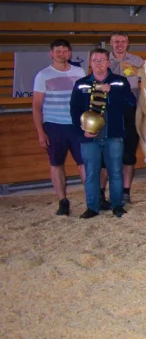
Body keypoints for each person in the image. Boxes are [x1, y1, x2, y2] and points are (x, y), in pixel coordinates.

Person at [70, 48, 135, 219]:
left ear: (108, 62)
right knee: (91, 173)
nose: (98, 63)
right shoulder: (81, 83)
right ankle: (92, 206)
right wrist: (81, 131)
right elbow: (74, 110)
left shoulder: (120, 82)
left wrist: (112, 92)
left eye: (101, 60)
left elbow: (131, 103)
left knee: (116, 172)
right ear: (90, 63)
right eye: (95, 60)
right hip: (89, 137)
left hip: (113, 135)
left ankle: (117, 205)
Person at [32, 39, 86, 216]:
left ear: (70, 53)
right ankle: (63, 201)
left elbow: (84, 99)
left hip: (76, 125)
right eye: (58, 51)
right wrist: (41, 132)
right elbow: (37, 106)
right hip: (54, 125)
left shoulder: (79, 72)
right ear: (51, 54)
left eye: (65, 51)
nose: (62, 54)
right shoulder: (43, 75)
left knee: (84, 163)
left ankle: (91, 199)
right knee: (56, 163)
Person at [108, 31, 142, 206]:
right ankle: (105, 193)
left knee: (129, 154)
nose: (120, 44)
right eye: (116, 41)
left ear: (128, 43)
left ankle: (126, 192)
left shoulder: (137, 61)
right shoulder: (104, 60)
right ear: (111, 43)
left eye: (123, 41)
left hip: (131, 111)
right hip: (109, 111)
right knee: (107, 156)